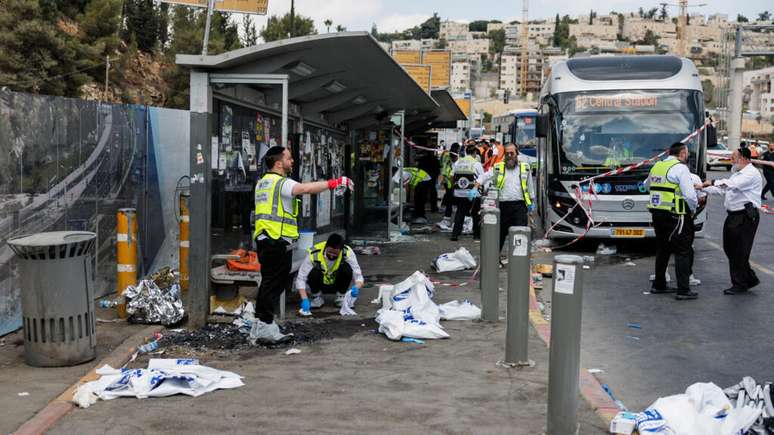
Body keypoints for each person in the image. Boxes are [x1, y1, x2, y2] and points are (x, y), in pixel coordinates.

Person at [252, 146, 354, 342]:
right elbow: (306, 189)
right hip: (276, 240)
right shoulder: (280, 183)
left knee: (269, 283)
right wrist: (334, 182)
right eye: (289, 158)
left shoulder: (262, 183)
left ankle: (261, 324)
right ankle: (265, 326)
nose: (292, 162)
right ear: (279, 163)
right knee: (274, 284)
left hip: (266, 240)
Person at [698, 147, 763, 295]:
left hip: (745, 216)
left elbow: (728, 185)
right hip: (734, 216)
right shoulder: (737, 173)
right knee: (730, 248)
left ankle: (739, 284)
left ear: (744, 159)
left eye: (734, 157)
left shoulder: (751, 174)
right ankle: (749, 278)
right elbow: (722, 190)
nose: (731, 159)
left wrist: (711, 182)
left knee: (739, 251)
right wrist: (702, 188)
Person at [646, 142, 700, 300]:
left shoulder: (657, 166)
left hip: (657, 213)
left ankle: (659, 284)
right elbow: (690, 196)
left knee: (663, 249)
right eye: (687, 153)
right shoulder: (681, 168)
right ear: (682, 153)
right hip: (676, 214)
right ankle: (683, 290)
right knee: (683, 250)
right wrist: (693, 209)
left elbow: (647, 186)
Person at [475, 143, 535, 255]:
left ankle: (518, 260)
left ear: (517, 153)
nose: (509, 155)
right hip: (502, 207)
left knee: (519, 234)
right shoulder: (499, 167)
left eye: (512, 153)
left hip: (519, 207)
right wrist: (475, 187)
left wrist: (531, 202)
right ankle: (495, 259)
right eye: (507, 153)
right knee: (500, 235)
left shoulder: (525, 168)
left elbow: (530, 186)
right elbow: (484, 176)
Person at [295, 233, 364, 316]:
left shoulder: (347, 252)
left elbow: (358, 275)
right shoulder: (314, 252)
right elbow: (301, 278)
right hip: (320, 284)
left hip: (337, 284)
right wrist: (304, 299)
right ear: (326, 246)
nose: (331, 256)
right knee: (313, 272)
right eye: (330, 252)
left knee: (347, 269)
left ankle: (341, 297)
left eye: (335, 254)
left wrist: (356, 287)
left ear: (341, 251)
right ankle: (316, 297)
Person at [450, 144, 484, 241]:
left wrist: (454, 187)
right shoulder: (476, 163)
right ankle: (476, 235)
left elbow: (452, 176)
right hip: (472, 192)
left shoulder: (458, 162)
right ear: (474, 153)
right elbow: (482, 178)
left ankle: (455, 234)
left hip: (460, 192)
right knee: (475, 213)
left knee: (460, 212)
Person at [438, 143, 460, 231]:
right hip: (450, 184)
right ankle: (447, 218)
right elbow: (445, 172)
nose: (452, 159)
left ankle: (452, 219)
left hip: (455, 185)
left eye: (453, 158)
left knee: (454, 202)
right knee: (450, 201)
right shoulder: (448, 160)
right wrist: (442, 182)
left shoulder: (458, 163)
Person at [418, 149, 441, 214]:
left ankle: (421, 209)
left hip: (424, 177)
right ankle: (433, 208)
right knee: (433, 193)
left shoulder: (423, 159)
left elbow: (419, 168)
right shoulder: (435, 159)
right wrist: (436, 175)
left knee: (423, 193)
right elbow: (438, 169)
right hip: (432, 178)